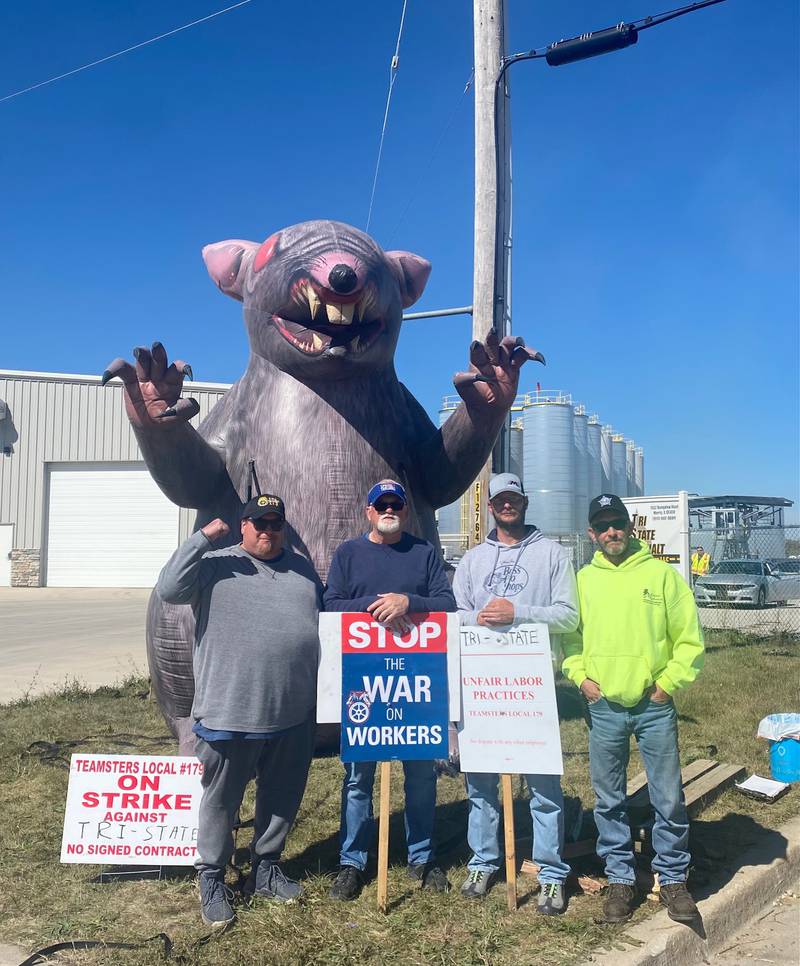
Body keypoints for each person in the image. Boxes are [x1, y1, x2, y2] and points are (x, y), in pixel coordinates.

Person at [156, 494, 322, 927]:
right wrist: (201, 539)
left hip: (293, 710)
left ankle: (265, 868)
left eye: (275, 524)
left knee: (282, 797)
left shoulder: (303, 569)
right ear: (243, 525)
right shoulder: (215, 564)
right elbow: (169, 589)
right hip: (230, 708)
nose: (267, 531)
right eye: (259, 523)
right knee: (221, 800)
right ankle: (211, 876)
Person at [562, 494, 705, 925]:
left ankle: (674, 879)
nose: (611, 532)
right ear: (592, 534)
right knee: (608, 800)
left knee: (667, 796)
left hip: (653, 705)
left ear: (630, 525)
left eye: (617, 523)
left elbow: (689, 640)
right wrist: (580, 678)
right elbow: (571, 638)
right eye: (602, 526)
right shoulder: (584, 580)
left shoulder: (661, 577)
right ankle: (621, 879)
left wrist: (666, 685)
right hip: (604, 706)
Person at [452, 473, 579, 914]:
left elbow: (568, 617)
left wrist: (518, 612)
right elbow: (457, 617)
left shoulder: (551, 555)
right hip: (483, 683)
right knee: (481, 780)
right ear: (490, 507)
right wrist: (480, 621)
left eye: (514, 499)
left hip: (533, 684)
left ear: (524, 502)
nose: (508, 506)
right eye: (500, 500)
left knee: (543, 782)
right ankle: (484, 860)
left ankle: (550, 873)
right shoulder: (471, 560)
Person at [324, 479, 457, 900]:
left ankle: (422, 856)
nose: (388, 509)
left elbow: (447, 603)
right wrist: (376, 608)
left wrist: (409, 602)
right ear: (368, 512)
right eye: (380, 504)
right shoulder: (348, 554)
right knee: (359, 776)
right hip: (363, 681)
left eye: (395, 504)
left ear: (404, 510)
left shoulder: (424, 553)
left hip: (416, 679)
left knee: (420, 773)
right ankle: (352, 861)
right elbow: (331, 605)